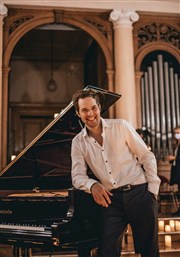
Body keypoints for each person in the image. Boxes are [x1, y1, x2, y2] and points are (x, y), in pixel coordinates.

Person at [71, 88, 161, 257]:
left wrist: (152, 192)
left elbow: (146, 156)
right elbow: (77, 176)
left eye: (93, 108)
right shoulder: (78, 143)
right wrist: (92, 185)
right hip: (110, 201)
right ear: (78, 113)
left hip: (140, 194)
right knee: (106, 252)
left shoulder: (120, 126)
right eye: (84, 110)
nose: (90, 113)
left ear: (99, 108)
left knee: (149, 252)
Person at [166, 126, 180, 216]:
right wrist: (172, 159)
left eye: (178, 132)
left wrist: (174, 157)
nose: (177, 135)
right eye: (176, 133)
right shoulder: (176, 144)